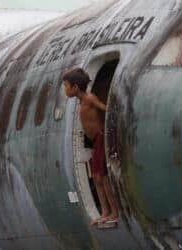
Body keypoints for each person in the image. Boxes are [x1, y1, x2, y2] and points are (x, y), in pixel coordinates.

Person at [63, 68, 119, 225]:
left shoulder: (89, 98)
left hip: (100, 138)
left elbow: (105, 108)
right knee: (96, 178)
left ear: (75, 87)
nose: (65, 90)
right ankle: (105, 211)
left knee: (103, 177)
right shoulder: (82, 101)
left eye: (66, 86)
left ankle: (114, 212)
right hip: (94, 141)